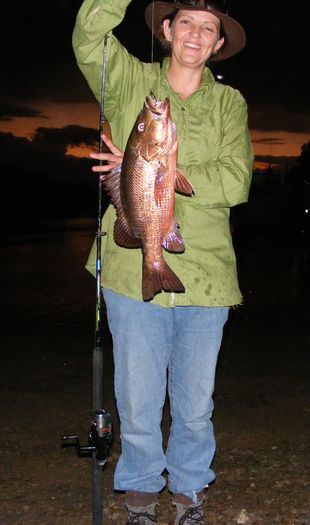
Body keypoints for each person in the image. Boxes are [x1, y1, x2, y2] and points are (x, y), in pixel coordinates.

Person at [73, 1, 254, 523]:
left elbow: (236, 181)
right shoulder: (132, 80)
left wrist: (155, 163)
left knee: (196, 404)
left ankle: (190, 495)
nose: (196, 34)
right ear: (168, 30)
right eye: (187, 23)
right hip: (132, 269)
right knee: (138, 399)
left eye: (210, 28)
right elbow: (88, 39)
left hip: (207, 275)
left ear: (218, 44)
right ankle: (140, 498)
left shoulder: (229, 103)